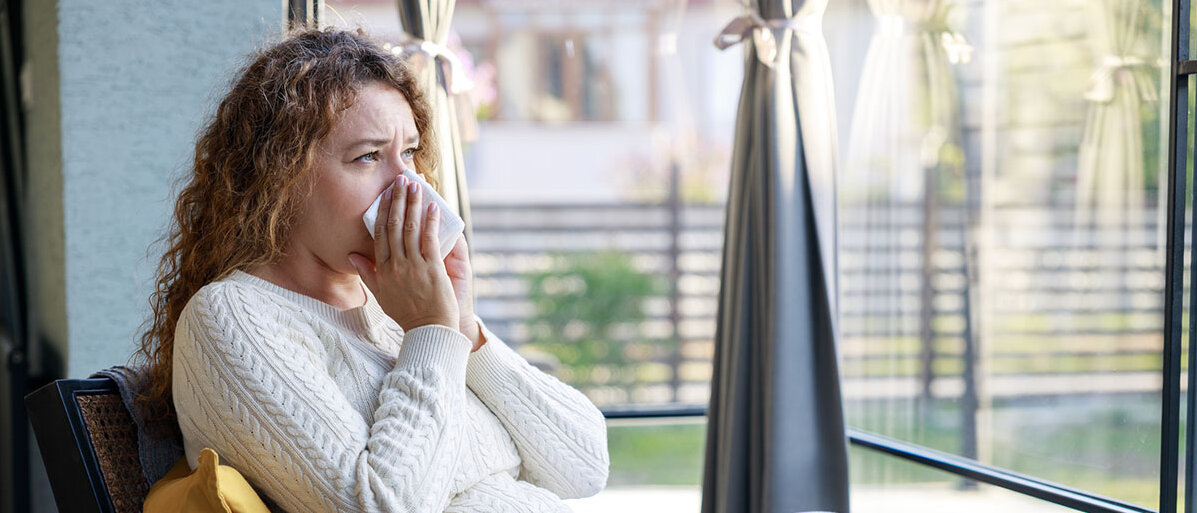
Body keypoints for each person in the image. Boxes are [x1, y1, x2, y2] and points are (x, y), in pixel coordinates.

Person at [134, 28, 609, 513]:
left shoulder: (393, 304)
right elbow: (381, 506)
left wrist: (465, 330)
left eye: (408, 153)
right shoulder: (233, 317)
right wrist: (431, 332)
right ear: (281, 177)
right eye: (368, 156)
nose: (408, 185)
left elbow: (583, 466)